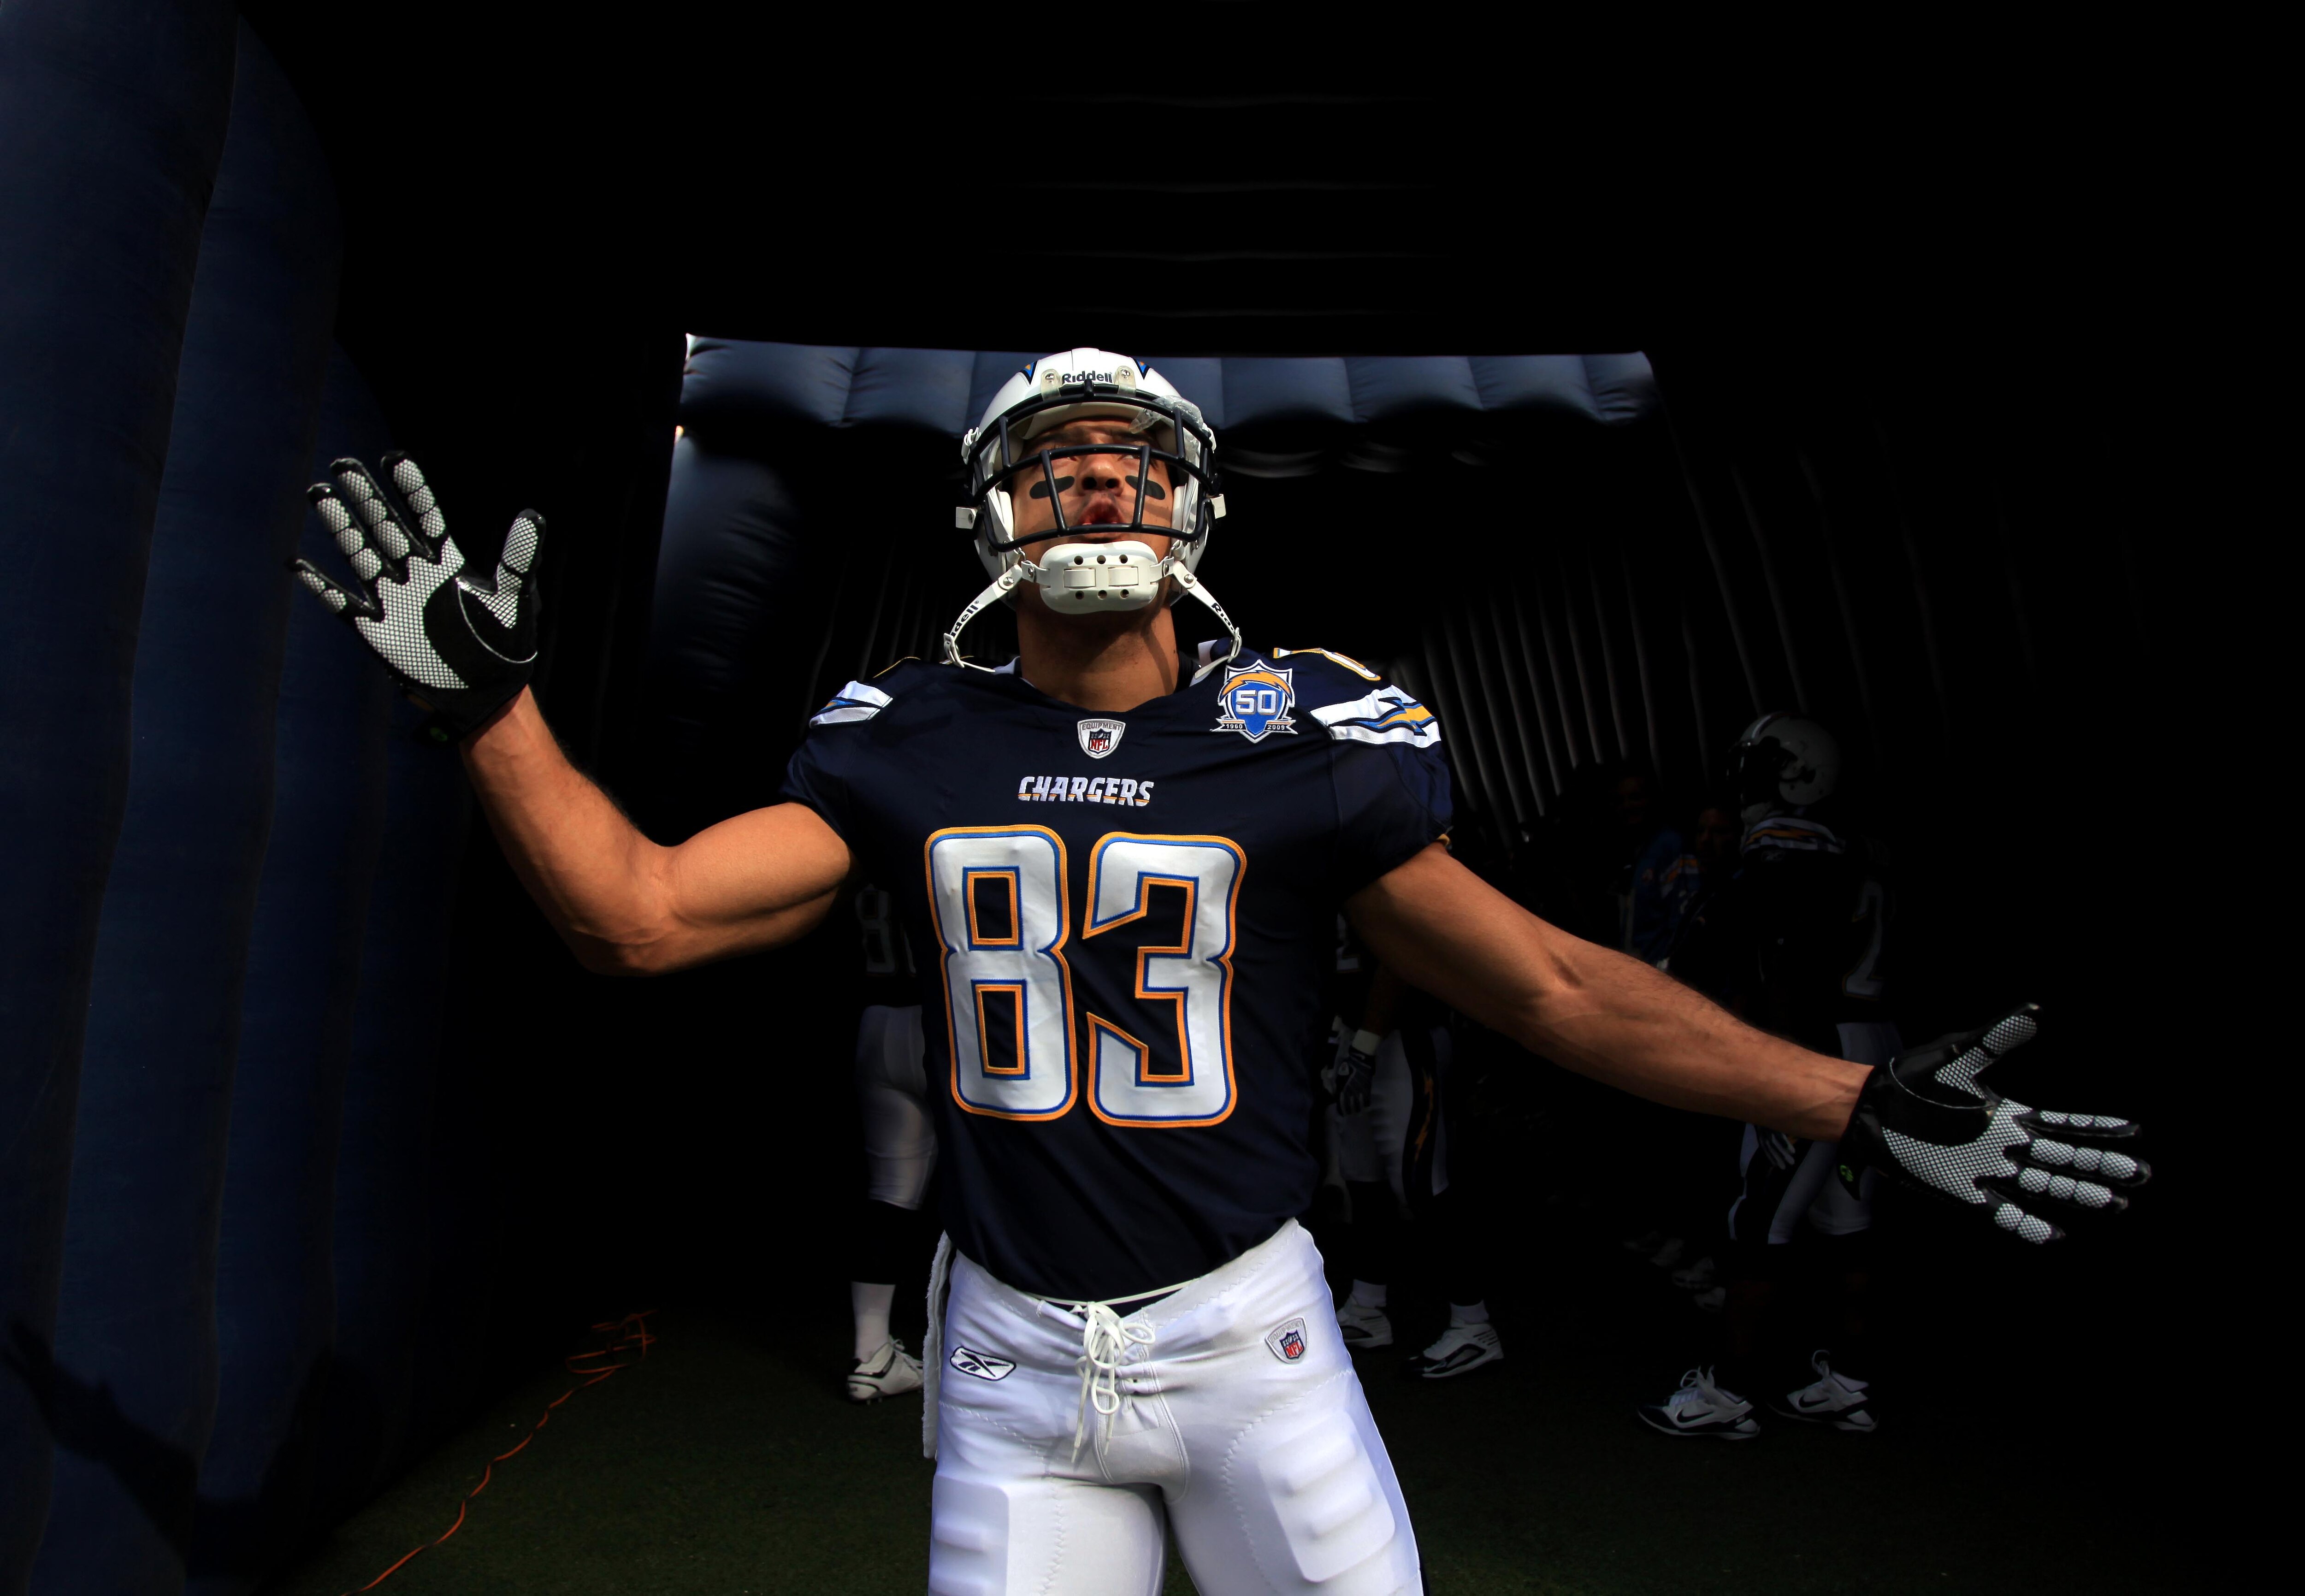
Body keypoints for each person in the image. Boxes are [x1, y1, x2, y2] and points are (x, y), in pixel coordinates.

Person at [293, 347, 2149, 1596]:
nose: (1094, 484)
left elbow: (1553, 991)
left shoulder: (1308, 729)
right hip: (1012, 1353)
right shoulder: (902, 733)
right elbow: (636, 913)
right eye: (1054, 464)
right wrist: (490, 716)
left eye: (1129, 461)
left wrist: (1844, 1091)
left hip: (1249, 1339)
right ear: (993, 514)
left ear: (1189, 509)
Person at [1637, 715, 1900, 1439]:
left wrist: (1784, 1077)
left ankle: (1733, 1390)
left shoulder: (1789, 853)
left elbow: (1783, 962)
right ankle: (1851, 1378)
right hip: (1869, 1043)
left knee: (1760, 1217)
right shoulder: (1855, 849)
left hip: (1814, 1045)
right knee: (1848, 1221)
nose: (1743, 783)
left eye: (1758, 768)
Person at [845, 882, 934, 1402]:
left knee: (890, 1196)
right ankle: (1001, 1353)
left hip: (877, 1022)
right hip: (950, 1023)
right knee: (999, 1186)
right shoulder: (931, 829)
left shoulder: (863, 845)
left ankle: (870, 1353)